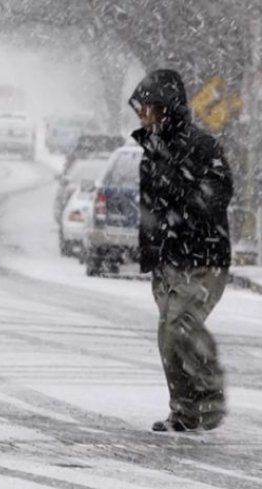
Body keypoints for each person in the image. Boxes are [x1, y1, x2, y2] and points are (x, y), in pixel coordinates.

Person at [129, 69, 233, 432]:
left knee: (181, 326)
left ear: (165, 107)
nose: (141, 114)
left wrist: (185, 198)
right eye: (139, 108)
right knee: (168, 338)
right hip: (168, 260)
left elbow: (219, 192)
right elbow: (149, 208)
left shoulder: (201, 146)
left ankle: (210, 397)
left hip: (203, 257)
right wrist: (149, 253)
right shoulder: (151, 152)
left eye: (147, 107)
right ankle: (185, 412)